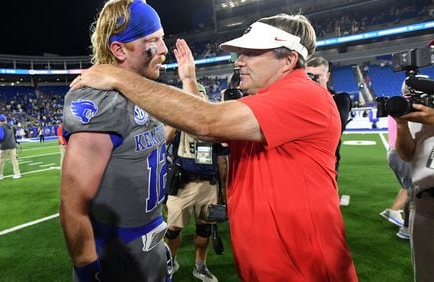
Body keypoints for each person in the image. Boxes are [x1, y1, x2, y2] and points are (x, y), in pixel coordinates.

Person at [71, 13, 358, 281]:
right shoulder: (268, 100)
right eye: (240, 53)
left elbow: (206, 122)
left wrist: (119, 77)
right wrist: (189, 81)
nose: (238, 61)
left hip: (303, 268)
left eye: (252, 53)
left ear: (288, 59)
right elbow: (209, 133)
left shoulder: (303, 95)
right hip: (277, 264)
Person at [59, 0, 172, 281]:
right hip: (119, 256)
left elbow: (144, 146)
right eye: (153, 40)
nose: (164, 49)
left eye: (162, 38)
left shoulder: (144, 91)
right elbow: (72, 205)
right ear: (119, 49)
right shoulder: (102, 101)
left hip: (153, 242)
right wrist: (88, 270)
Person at [165, 83, 226, 282]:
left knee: (204, 230)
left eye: (200, 97)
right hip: (182, 184)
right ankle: (171, 261)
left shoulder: (214, 125)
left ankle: (200, 267)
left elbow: (221, 160)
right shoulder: (177, 124)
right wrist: (176, 116)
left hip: (208, 184)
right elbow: (165, 139)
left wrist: (223, 190)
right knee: (173, 230)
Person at [395, 81, 434, 282]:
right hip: (425, 199)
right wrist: (401, 125)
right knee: (426, 274)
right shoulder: (422, 103)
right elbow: (407, 154)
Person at [306, 56, 352, 175]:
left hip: (326, 164)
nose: (313, 80)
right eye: (309, 76)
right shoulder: (300, 100)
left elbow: (338, 125)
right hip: (301, 162)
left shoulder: (340, 99)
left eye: (317, 77)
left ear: (327, 76)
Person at [380, 116, 412, 239]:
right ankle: (407, 228)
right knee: (414, 191)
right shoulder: (411, 107)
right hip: (403, 153)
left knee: (408, 187)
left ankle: (393, 211)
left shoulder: (400, 105)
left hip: (395, 152)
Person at [0, 115, 21, 180]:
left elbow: (1, 137)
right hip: (13, 145)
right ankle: (17, 174)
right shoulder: (11, 126)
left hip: (4, 146)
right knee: (14, 160)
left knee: (1, 161)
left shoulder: (1, 127)